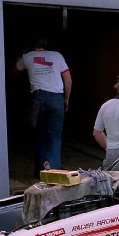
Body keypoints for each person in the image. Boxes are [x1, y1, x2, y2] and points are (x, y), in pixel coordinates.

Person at [16, 37, 72, 175]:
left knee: (39, 135)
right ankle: (54, 171)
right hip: (56, 98)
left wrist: (22, 53)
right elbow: (68, 79)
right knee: (55, 136)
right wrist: (66, 99)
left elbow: (16, 69)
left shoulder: (27, 57)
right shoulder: (57, 55)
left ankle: (40, 170)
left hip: (37, 99)